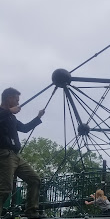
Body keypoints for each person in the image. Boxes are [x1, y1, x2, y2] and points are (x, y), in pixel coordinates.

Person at [0, 88, 45, 218]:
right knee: (4, 189)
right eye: (16, 99)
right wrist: (8, 111)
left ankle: (32, 211)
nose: (18, 103)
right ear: (9, 98)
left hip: (15, 156)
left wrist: (38, 117)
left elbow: (25, 128)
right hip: (3, 154)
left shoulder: (11, 118)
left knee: (34, 179)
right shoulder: (4, 113)